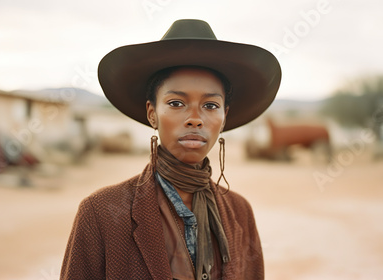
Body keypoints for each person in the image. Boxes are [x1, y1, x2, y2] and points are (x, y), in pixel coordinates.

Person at [60, 19, 281, 280]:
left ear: (225, 117)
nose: (195, 119)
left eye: (210, 106)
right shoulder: (101, 212)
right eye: (176, 103)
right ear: (152, 113)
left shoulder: (240, 212)